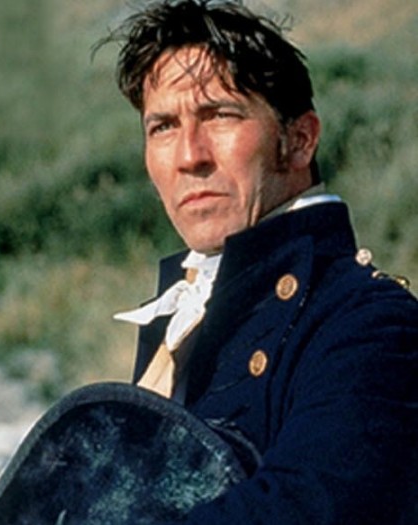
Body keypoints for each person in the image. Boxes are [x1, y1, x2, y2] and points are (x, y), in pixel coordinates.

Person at [100, 0, 418, 523]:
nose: (189, 156)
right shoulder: (185, 322)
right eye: (163, 127)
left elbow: (308, 508)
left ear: (300, 140)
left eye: (219, 115)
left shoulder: (370, 322)